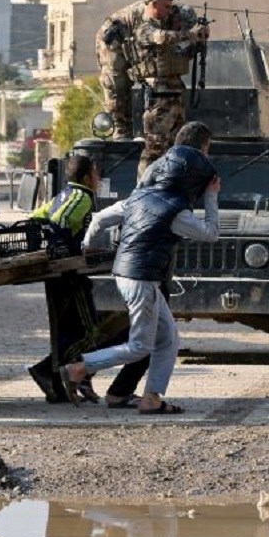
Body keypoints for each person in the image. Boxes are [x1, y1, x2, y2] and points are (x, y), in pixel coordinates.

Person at [61, 121, 220, 415]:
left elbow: (97, 220)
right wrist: (212, 196)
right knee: (140, 346)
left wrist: (88, 248)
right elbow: (211, 233)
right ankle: (79, 368)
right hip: (143, 278)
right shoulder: (177, 211)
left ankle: (151, 398)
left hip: (127, 274)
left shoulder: (137, 197)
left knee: (168, 337)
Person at [24, 156, 149, 407]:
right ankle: (50, 371)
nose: (98, 179)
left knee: (74, 329)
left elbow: (37, 216)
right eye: (95, 173)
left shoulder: (63, 194)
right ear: (85, 178)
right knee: (89, 333)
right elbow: (60, 220)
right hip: (68, 276)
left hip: (66, 274)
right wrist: (70, 247)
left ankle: (66, 377)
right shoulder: (81, 197)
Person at [94, 0, 210, 174]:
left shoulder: (171, 15)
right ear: (156, 5)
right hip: (113, 39)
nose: (183, 28)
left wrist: (197, 41)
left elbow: (177, 48)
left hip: (165, 86)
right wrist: (189, 35)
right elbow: (157, 37)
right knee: (117, 84)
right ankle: (121, 131)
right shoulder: (146, 20)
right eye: (182, 25)